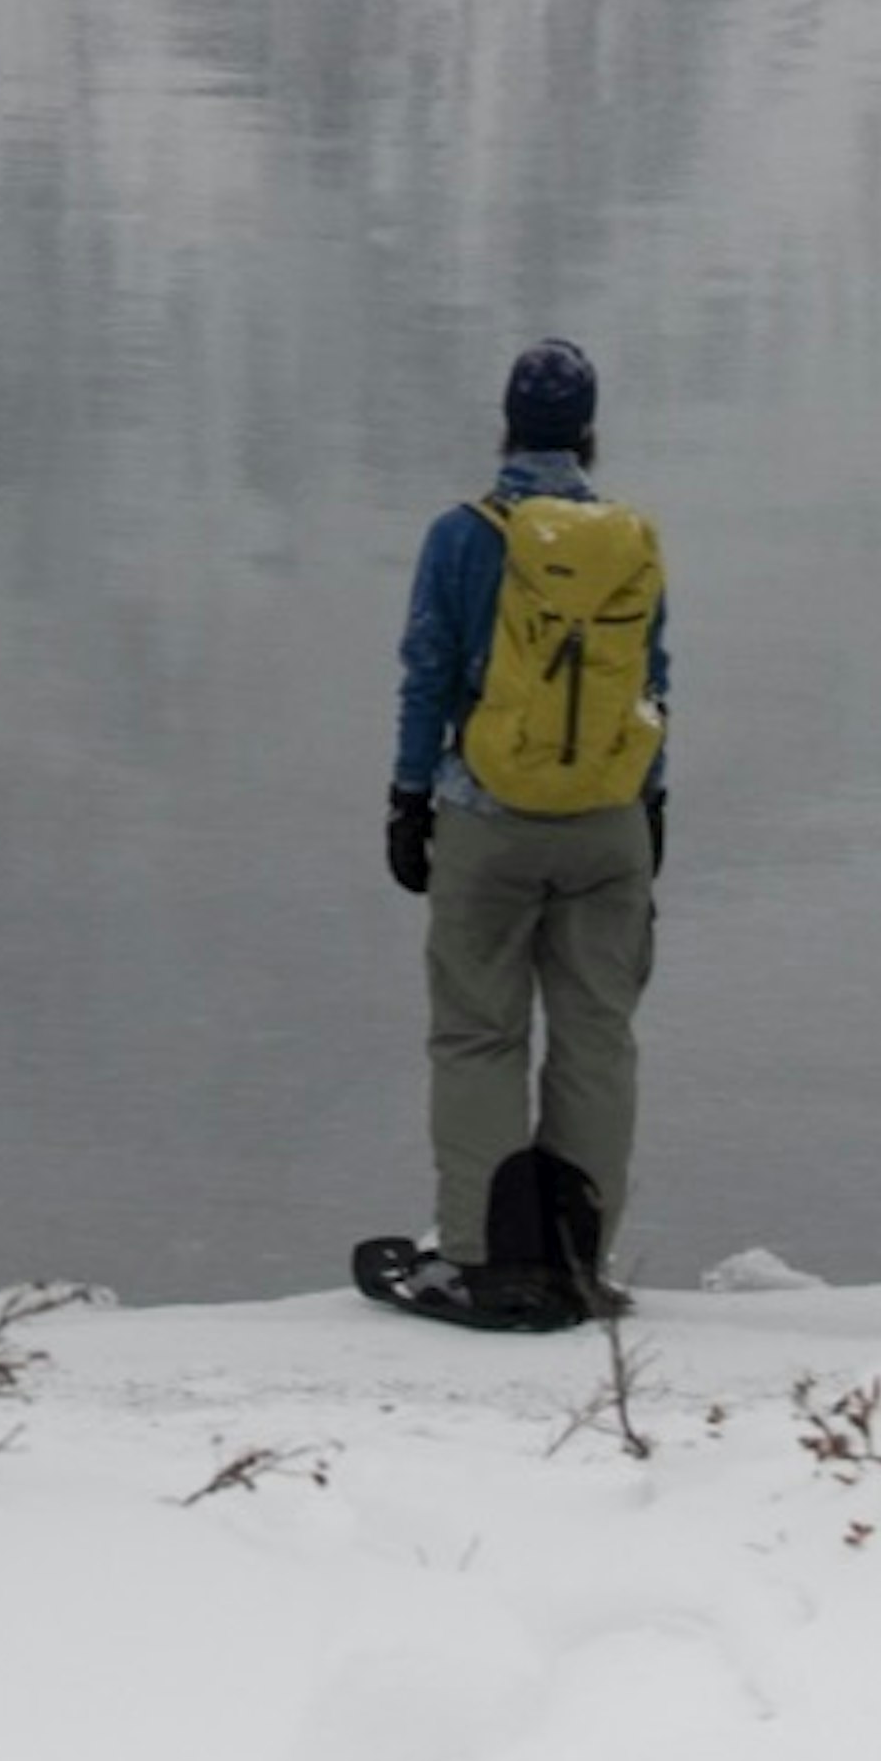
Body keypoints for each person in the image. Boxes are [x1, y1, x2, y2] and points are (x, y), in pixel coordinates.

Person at [359, 333, 665, 1332]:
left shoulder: (461, 535)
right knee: (595, 1039)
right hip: (609, 823)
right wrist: (649, 808)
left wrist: (410, 799)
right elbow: (653, 685)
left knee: (480, 1033)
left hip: (489, 820)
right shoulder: (629, 539)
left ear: (504, 426)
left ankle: (490, 1262)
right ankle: (580, 1257)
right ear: (589, 433)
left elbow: (429, 674)